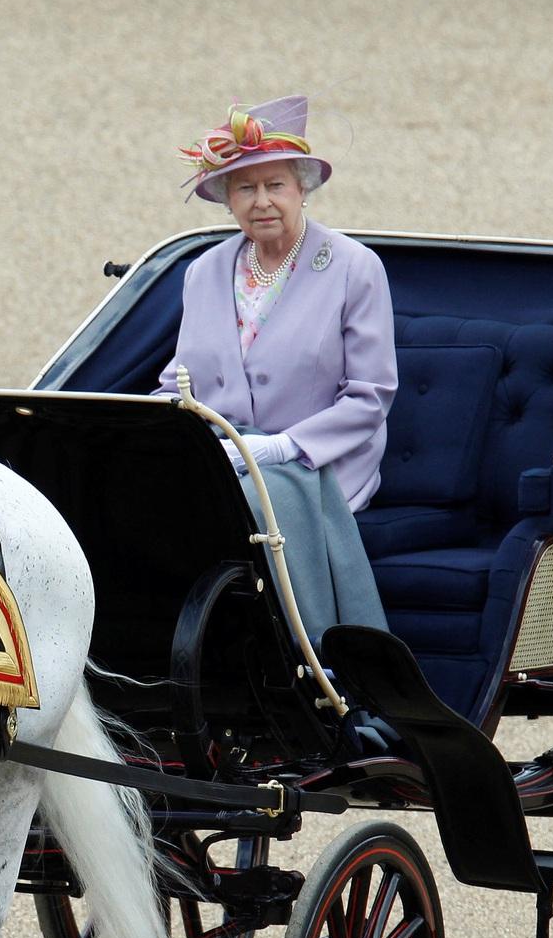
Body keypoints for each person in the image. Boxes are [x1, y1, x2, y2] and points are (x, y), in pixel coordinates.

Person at [157, 95, 394, 637]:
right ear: (226, 198)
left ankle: (311, 671)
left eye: (275, 185)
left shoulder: (353, 267)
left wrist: (284, 447)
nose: (262, 201)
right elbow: (178, 383)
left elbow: (371, 396)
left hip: (320, 464)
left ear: (302, 189)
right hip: (225, 455)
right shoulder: (205, 272)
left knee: (239, 511)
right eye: (245, 187)